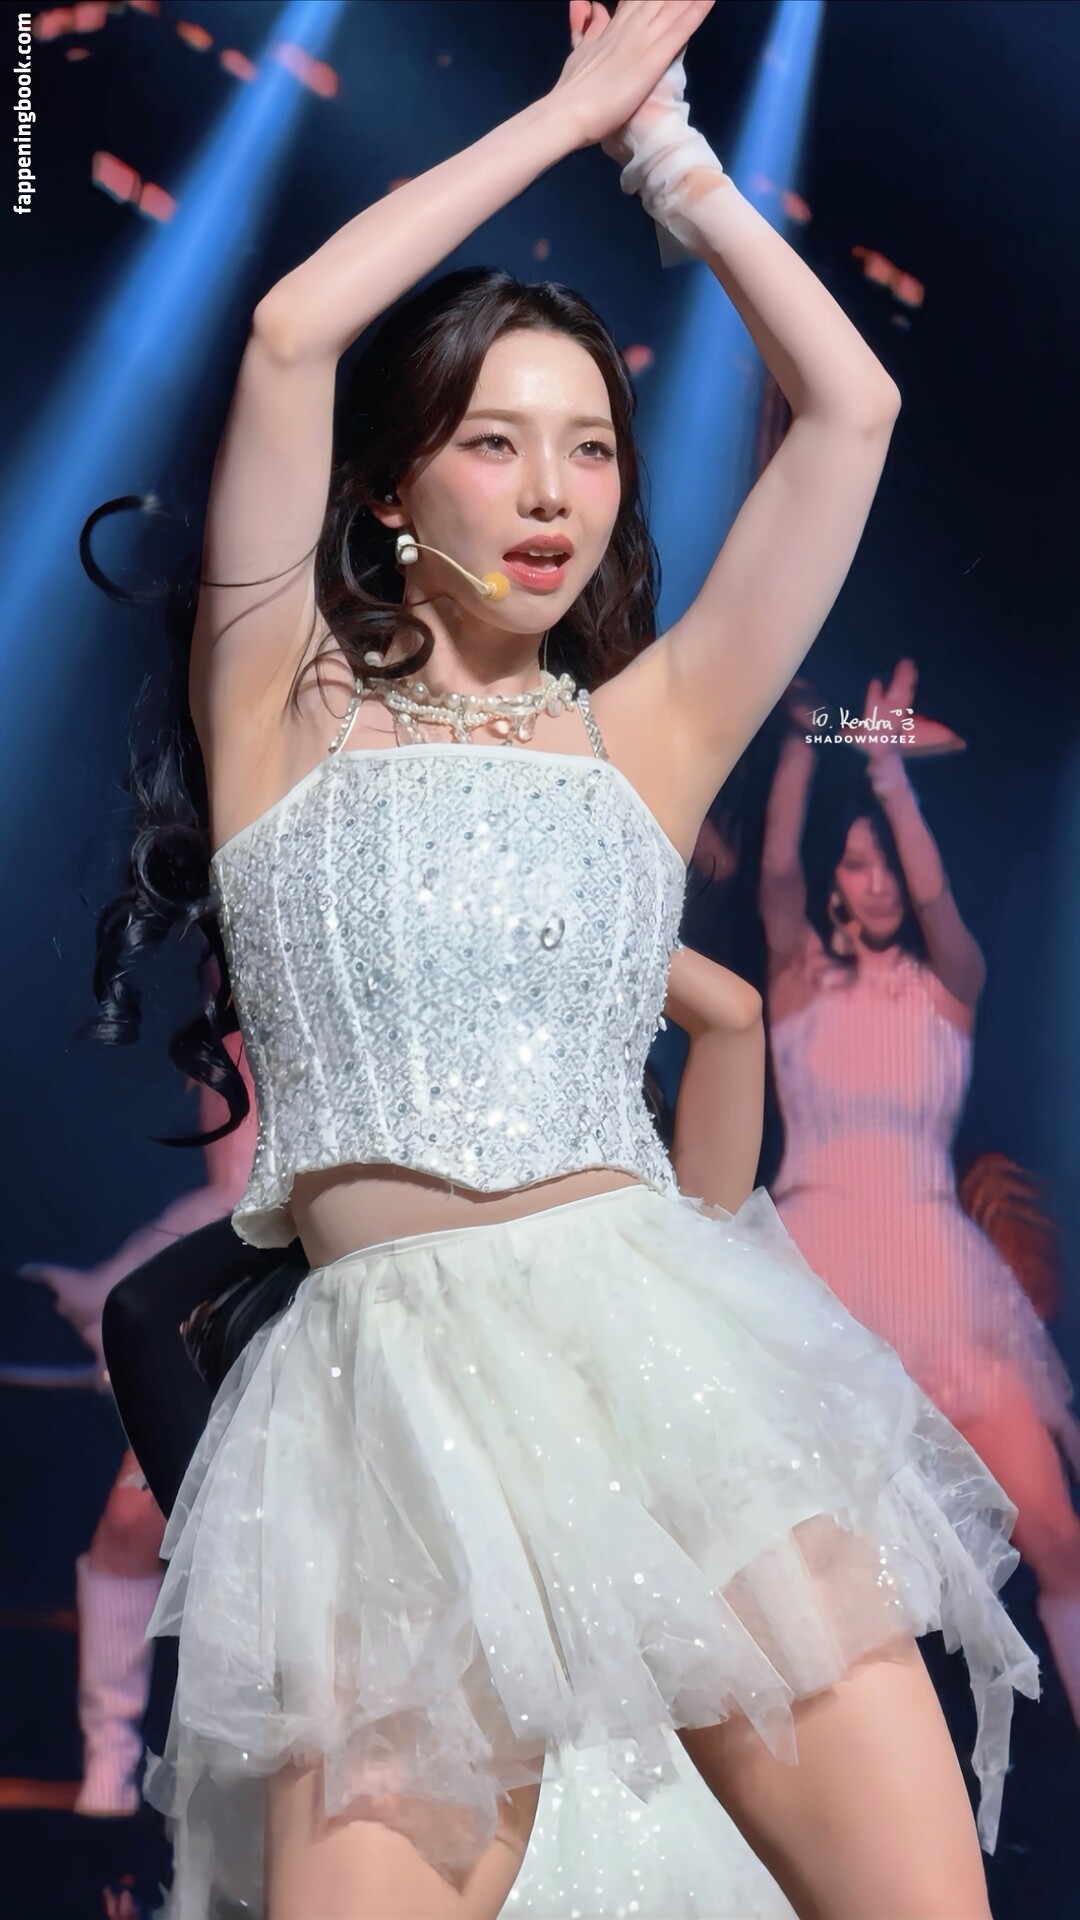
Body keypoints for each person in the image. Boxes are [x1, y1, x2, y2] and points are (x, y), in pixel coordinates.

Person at [79, 5, 1038, 1916]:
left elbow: (852, 412)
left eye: (590, 450)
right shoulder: (280, 715)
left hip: (666, 1374)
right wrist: (563, 113)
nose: (549, 495)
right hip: (386, 1416)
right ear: (387, 489)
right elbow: (293, 333)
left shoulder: (645, 734)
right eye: (494, 443)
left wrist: (672, 162)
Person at [103, 946, 797, 1919]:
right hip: (480, 1718)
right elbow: (139, 1315)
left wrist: (248, 1581)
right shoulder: (426, 1227)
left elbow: (140, 1312)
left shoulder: (396, 1215)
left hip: (505, 1717)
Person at [761, 659, 1080, 1719]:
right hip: (819, 1287)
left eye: (891, 866)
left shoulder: (953, 985)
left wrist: (891, 776)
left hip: (940, 1277)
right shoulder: (798, 979)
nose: (882, 883)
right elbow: (775, 870)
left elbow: (939, 898)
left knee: (1058, 1538)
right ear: (836, 882)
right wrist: (805, 739)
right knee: (823, 1578)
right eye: (861, 865)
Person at [16, 1024, 257, 1814]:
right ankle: (111, 1761)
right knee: (129, 1527)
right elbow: (224, 1206)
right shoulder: (228, 1026)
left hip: (287, 1307)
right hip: (224, 1316)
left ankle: (215, 1773)